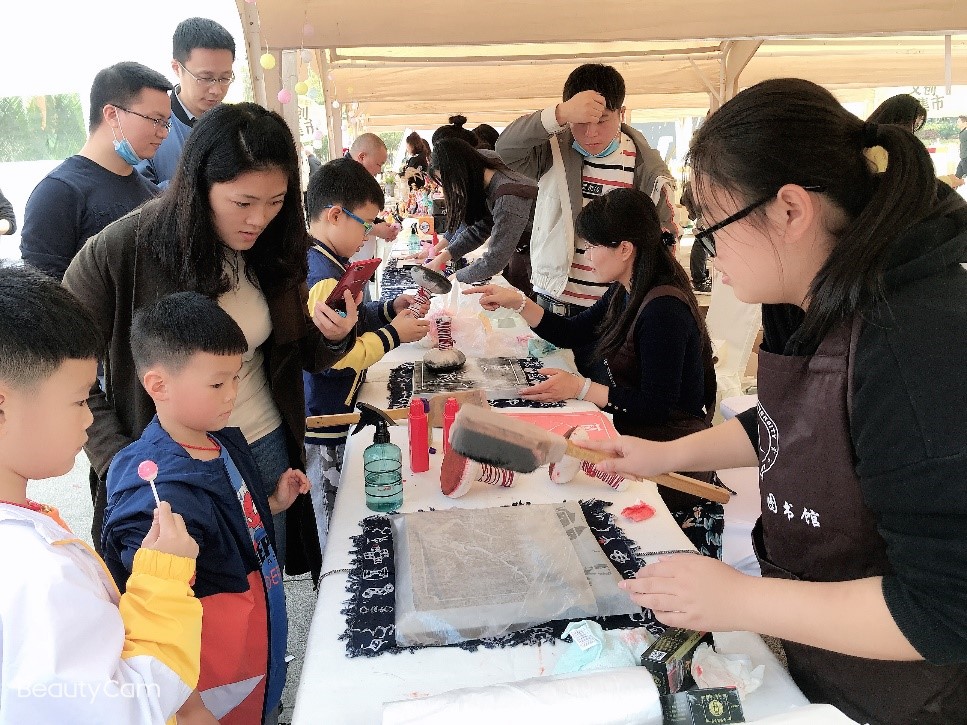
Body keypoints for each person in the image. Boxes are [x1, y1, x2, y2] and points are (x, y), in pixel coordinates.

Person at [585, 78, 967, 724]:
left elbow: (944, 609)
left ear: (790, 210)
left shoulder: (915, 340)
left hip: (922, 694)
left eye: (714, 228)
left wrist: (741, 601)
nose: (708, 254)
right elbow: (794, 424)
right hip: (832, 659)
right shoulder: (803, 297)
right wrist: (661, 455)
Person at [63, 102, 357, 578]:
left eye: (276, 201)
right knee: (180, 603)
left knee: (260, 590)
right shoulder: (122, 250)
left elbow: (299, 351)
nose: (258, 219)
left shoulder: (276, 247)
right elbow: (59, 367)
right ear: (199, 186)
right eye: (243, 203)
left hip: (261, 445)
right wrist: (119, 457)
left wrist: (335, 336)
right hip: (169, 466)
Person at [0, 265, 202, 723]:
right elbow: (130, 707)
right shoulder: (37, 576)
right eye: (78, 400)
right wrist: (163, 585)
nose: (90, 418)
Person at [467, 188, 719, 550]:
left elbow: (657, 406)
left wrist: (581, 389)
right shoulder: (627, 288)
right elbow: (571, 332)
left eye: (592, 246)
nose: (586, 256)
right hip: (635, 434)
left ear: (625, 249)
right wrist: (518, 302)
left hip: (668, 457)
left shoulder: (663, 310)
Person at [103, 293, 305, 725]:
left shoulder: (220, 440)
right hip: (210, 685)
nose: (233, 394)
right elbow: (152, 616)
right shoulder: (157, 497)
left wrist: (272, 502)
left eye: (237, 377)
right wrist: (188, 707)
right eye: (217, 384)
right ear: (158, 385)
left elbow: (229, 521)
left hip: (256, 642)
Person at [496, 64, 678, 375]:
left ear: (621, 113)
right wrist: (560, 114)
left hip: (612, 312)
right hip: (554, 303)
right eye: (580, 122)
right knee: (547, 395)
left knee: (604, 395)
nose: (591, 133)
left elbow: (664, 241)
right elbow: (506, 148)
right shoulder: (553, 150)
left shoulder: (647, 169)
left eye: (602, 121)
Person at [303, 159, 429, 547]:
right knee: (335, 518)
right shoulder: (320, 278)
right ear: (335, 215)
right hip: (326, 421)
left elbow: (351, 322)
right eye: (366, 224)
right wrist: (393, 335)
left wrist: (389, 309)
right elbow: (333, 359)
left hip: (340, 407)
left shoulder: (330, 263)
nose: (368, 233)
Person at [19, 62, 170, 281]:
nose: (163, 133)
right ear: (112, 114)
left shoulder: (152, 194)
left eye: (166, 123)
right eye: (156, 120)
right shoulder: (58, 192)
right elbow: (43, 292)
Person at [424, 138, 538, 294]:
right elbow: (480, 229)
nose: (451, 190)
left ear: (460, 172)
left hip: (545, 260)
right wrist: (442, 258)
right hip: (530, 252)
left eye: (448, 183)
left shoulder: (508, 199)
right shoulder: (486, 171)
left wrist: (454, 278)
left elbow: (494, 261)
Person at [139, 17, 236, 188]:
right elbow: (139, 194)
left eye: (224, 78)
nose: (216, 90)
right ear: (177, 68)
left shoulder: (236, 126)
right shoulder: (148, 125)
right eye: (205, 78)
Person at [346, 133, 400, 260]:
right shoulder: (343, 178)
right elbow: (347, 221)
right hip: (347, 261)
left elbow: (361, 215)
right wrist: (376, 230)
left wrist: (380, 225)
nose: (379, 171)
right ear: (362, 157)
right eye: (378, 164)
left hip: (360, 259)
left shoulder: (358, 177)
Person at [864, 94, 927, 173]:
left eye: (916, 126)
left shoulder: (868, 144)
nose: (911, 132)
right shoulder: (881, 151)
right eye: (912, 125)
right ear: (899, 121)